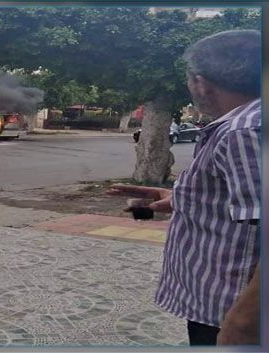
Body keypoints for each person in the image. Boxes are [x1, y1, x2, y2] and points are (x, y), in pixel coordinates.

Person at [108, 30, 261, 345]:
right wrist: (180, 198)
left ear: (201, 82)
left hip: (234, 311)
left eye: (189, 80)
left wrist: (243, 322)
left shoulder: (244, 131)